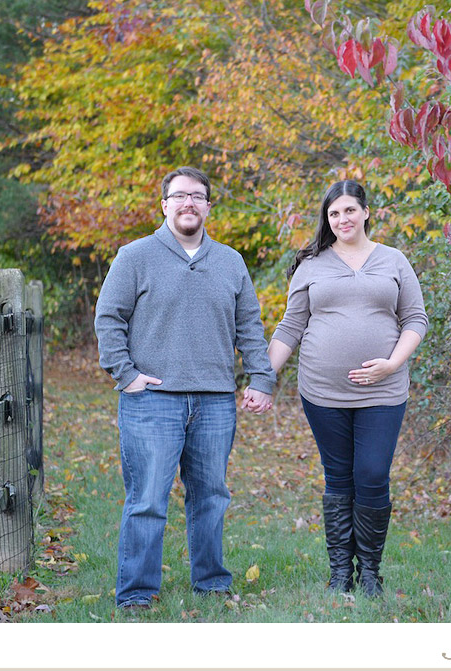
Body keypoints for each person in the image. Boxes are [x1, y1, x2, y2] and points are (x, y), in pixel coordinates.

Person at [95, 166, 275, 611]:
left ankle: (211, 583)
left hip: (215, 400)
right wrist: (126, 374)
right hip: (152, 399)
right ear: (164, 205)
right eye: (179, 196)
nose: (188, 203)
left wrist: (262, 377)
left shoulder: (230, 261)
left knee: (211, 496)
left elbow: (249, 327)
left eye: (198, 196)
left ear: (209, 206)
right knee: (148, 500)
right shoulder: (135, 256)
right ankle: (136, 592)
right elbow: (108, 319)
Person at [267, 179, 428, 596]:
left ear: (366, 212)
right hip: (322, 391)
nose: (342, 219)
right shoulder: (312, 265)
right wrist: (263, 378)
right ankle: (341, 571)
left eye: (350, 210)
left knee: (372, 474)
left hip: (384, 391)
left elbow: (415, 319)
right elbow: (291, 326)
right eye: (334, 213)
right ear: (328, 219)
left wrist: (391, 364)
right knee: (338, 477)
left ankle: (370, 572)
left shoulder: (394, 260)